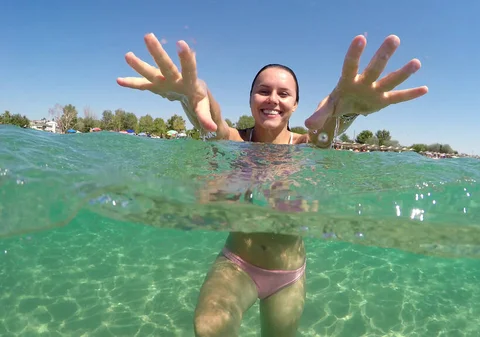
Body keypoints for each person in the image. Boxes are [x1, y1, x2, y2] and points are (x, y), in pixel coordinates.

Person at [117, 32, 428, 337]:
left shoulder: (307, 146)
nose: (273, 100)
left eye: (284, 94)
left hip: (289, 275)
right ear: (251, 98)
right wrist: (192, 96)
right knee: (210, 327)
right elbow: (211, 123)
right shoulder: (236, 141)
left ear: (295, 105)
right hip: (236, 265)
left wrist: (347, 110)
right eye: (263, 91)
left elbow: (326, 134)